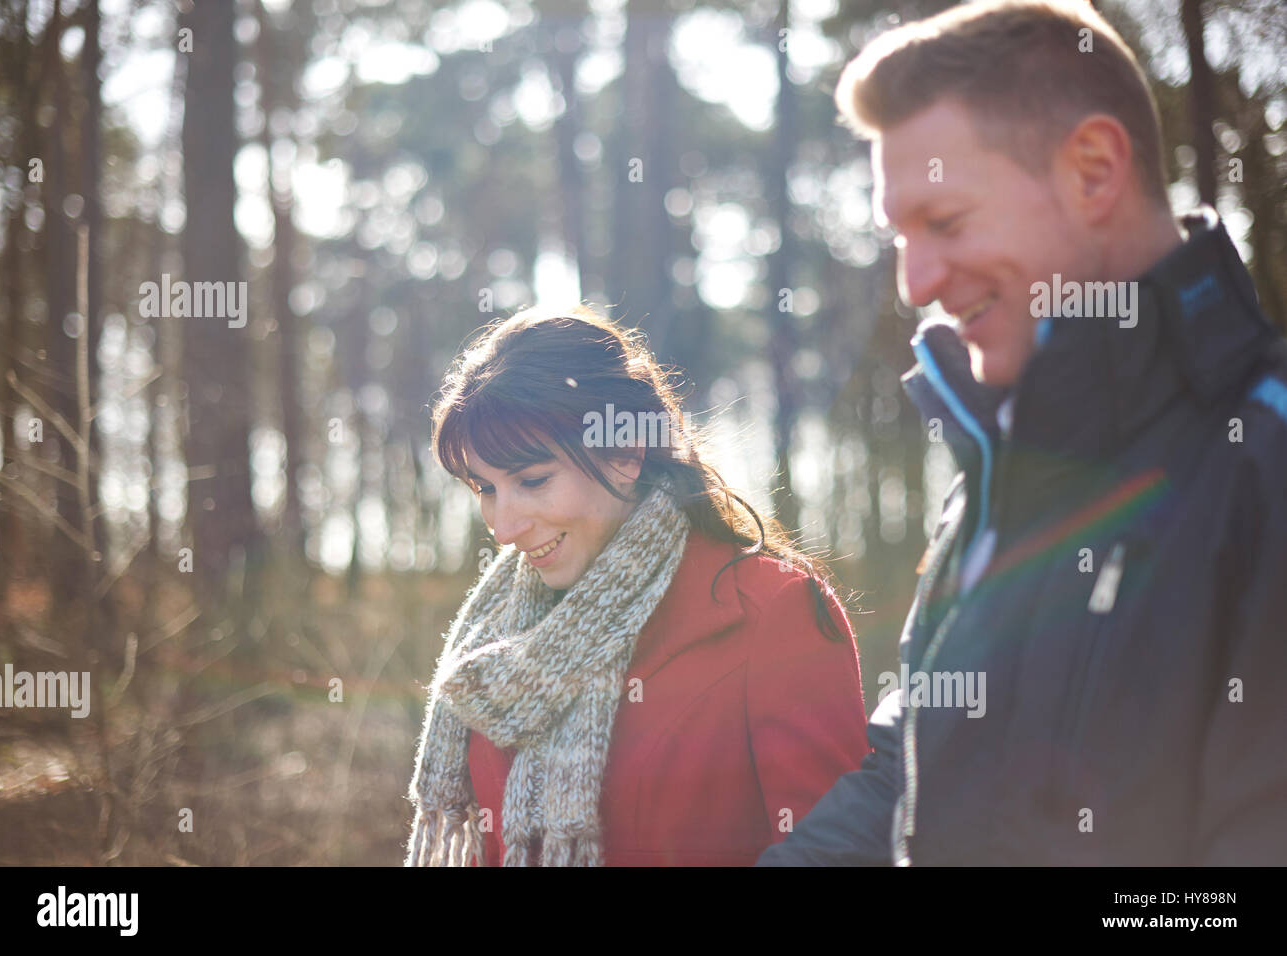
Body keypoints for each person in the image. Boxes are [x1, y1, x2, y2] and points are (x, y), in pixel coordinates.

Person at [759, 0, 1287, 865]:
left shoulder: (1266, 464)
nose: (917, 282)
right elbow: (906, 767)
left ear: (1092, 171)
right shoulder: (991, 480)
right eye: (899, 235)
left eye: (946, 222)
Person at [403, 304, 868, 866]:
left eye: (532, 480)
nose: (503, 527)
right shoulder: (492, 631)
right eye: (485, 488)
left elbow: (835, 853)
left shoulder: (772, 613)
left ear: (625, 452)